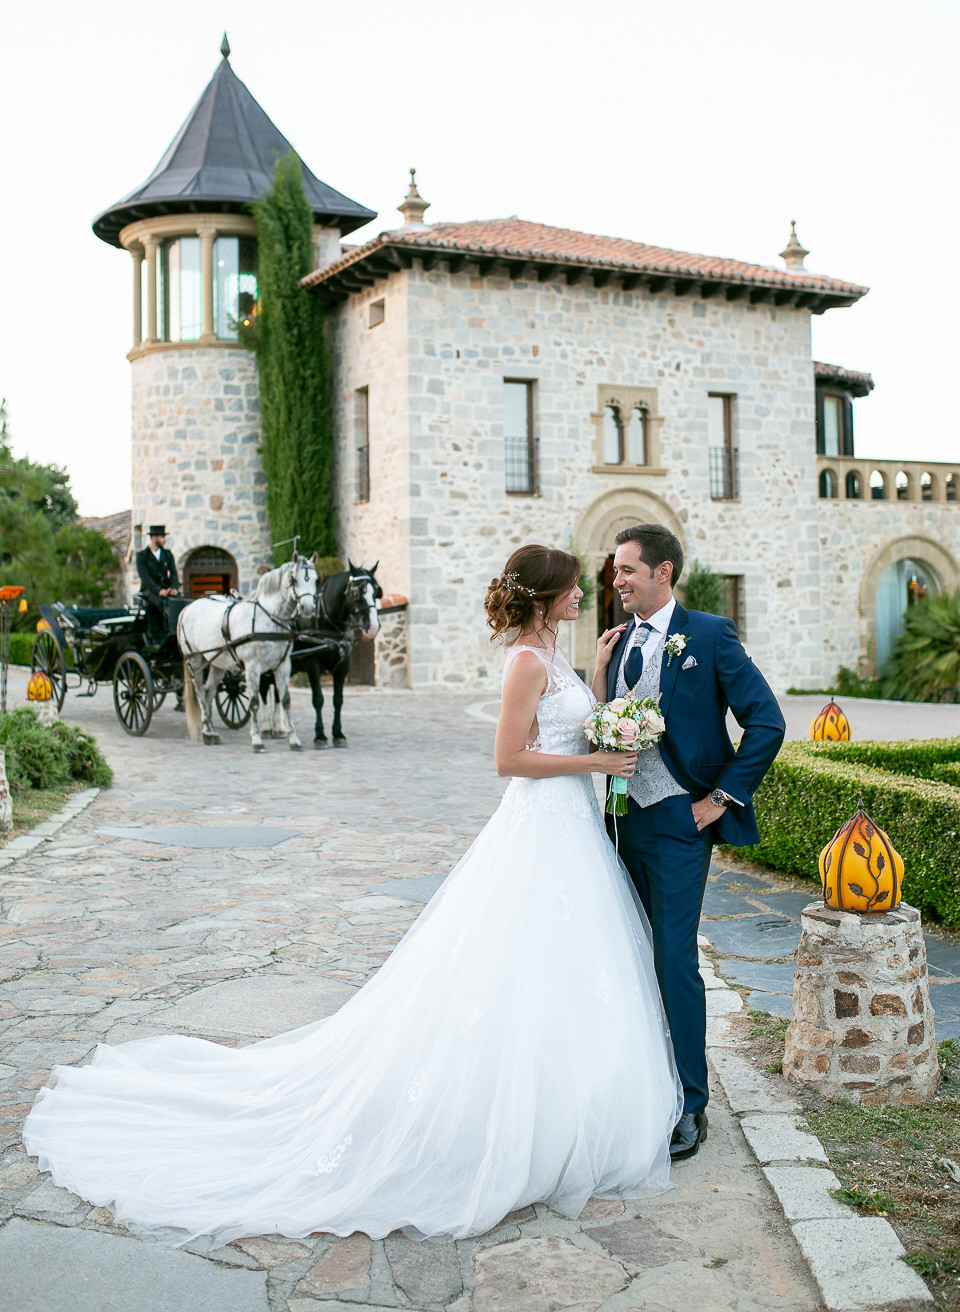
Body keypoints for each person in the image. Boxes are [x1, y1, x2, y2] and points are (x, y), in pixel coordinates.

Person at [23, 546, 681, 1248]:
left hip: (571, 828)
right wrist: (597, 760)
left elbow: (570, 715)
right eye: (575, 588)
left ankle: (566, 1106)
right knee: (515, 962)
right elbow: (508, 760)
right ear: (547, 597)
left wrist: (604, 682)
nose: (586, 595)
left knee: (566, 970)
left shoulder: (557, 654)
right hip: (540, 826)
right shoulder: (524, 662)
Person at [597, 523, 785, 1163]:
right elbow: (610, 728)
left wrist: (720, 799)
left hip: (681, 820)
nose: (616, 580)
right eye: (615, 570)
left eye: (626, 570)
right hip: (622, 822)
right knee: (628, 953)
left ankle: (689, 1102)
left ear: (663, 573)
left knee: (674, 958)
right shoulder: (618, 645)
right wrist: (600, 674)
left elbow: (768, 720)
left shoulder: (707, 634)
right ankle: (641, 1085)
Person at [135, 525, 181, 640]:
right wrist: (158, 590)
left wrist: (174, 587)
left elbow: (173, 573)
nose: (164, 539)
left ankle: (179, 631)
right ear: (154, 538)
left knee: (179, 601)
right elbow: (145, 577)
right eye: (162, 537)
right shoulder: (142, 556)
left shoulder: (167, 554)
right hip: (149, 590)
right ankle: (159, 634)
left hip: (165, 589)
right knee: (162, 603)